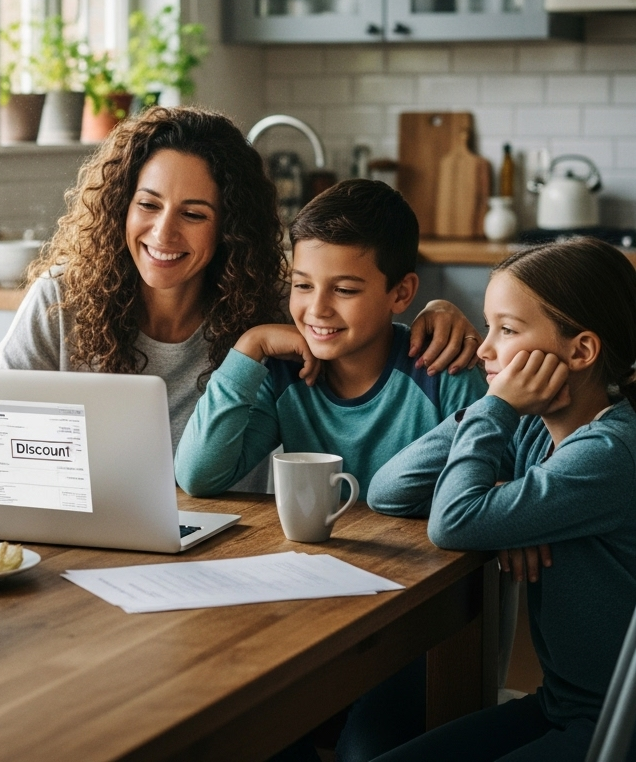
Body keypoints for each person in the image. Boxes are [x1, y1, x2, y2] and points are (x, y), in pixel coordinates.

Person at [0, 108, 480, 491]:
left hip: (223, 547)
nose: (163, 232)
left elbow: (355, 309)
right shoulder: (63, 300)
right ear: (122, 204)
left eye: (194, 213)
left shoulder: (268, 307)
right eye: (148, 204)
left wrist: (439, 310)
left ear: (229, 227)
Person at [173, 178, 489, 761]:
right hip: (311, 610)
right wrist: (249, 349)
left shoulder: (440, 372)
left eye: (344, 289)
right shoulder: (289, 376)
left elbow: (490, 488)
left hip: (417, 620)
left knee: (366, 751)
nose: (316, 310)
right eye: (301, 285)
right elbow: (198, 475)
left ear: (401, 293)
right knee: (253, 730)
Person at [368, 237, 636, 762]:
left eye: (507, 330)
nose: (485, 348)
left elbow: (453, 523)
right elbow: (389, 489)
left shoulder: (612, 451)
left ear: (580, 351)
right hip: (561, 707)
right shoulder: (536, 429)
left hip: (615, 730)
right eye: (487, 325)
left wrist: (496, 408)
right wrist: (506, 494)